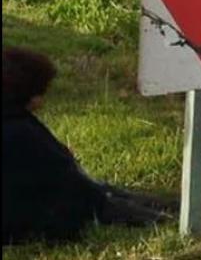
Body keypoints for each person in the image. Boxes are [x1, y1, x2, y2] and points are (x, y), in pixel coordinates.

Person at [3, 48, 171, 245]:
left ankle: (167, 204)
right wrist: (151, 217)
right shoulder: (19, 131)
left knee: (104, 190)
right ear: (29, 94)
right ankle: (168, 211)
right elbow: (72, 185)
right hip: (23, 222)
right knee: (100, 196)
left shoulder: (14, 120)